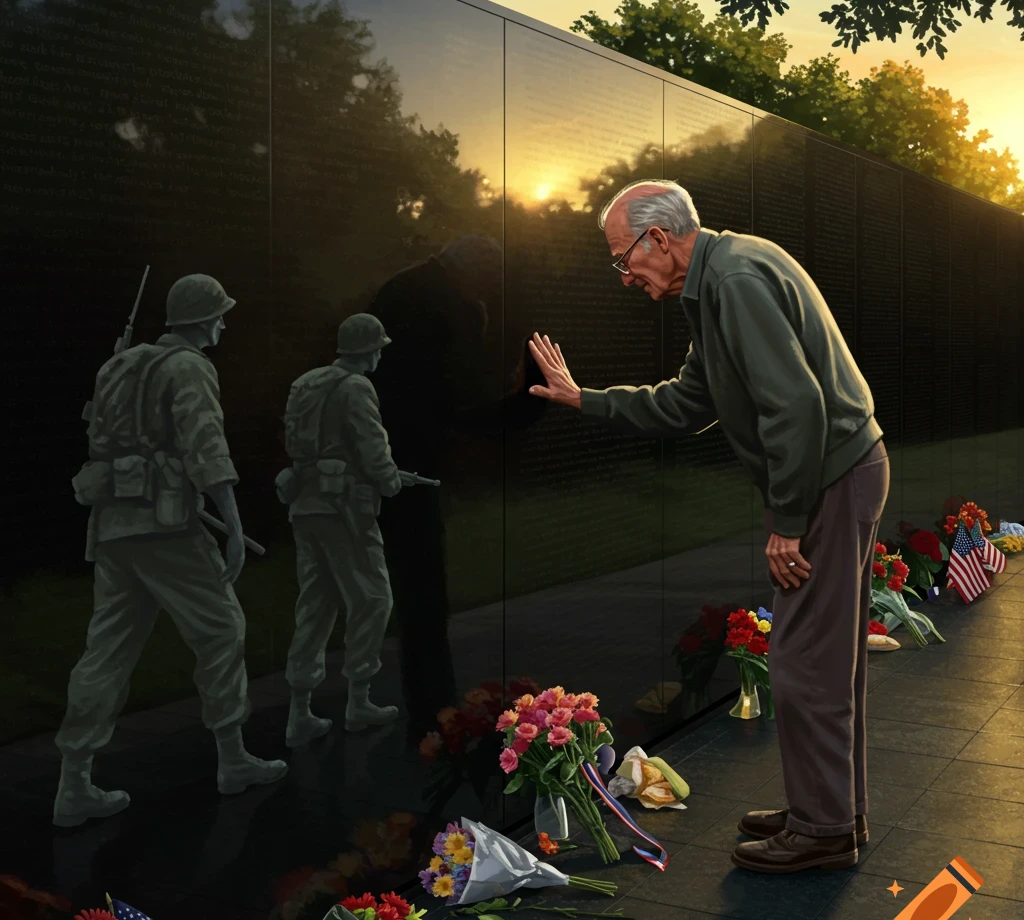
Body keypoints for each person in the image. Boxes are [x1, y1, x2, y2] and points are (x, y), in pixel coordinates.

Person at [526, 180, 888, 875]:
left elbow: (797, 407)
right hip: (838, 474)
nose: (625, 273)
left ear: (659, 239)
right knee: (823, 657)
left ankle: (823, 829)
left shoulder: (739, 281)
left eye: (624, 257)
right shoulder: (716, 283)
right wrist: (586, 400)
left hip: (827, 480)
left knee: (803, 662)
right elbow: (689, 402)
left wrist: (788, 521)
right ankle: (832, 812)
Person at [56, 274, 288, 828]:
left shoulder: (119, 365)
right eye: (220, 314)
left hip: (114, 528)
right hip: (165, 529)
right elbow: (206, 447)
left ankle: (73, 784)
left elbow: (102, 437)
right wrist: (232, 524)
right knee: (222, 628)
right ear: (203, 319)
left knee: (106, 649)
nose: (225, 323)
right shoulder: (189, 367)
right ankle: (232, 760)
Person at [367, 235, 546, 741]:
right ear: (471, 270)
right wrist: (519, 395)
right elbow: (456, 394)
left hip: (400, 455)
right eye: (487, 277)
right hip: (404, 462)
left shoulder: (415, 291)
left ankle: (431, 704)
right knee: (417, 587)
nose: (488, 288)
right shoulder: (441, 302)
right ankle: (433, 712)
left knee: (407, 589)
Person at [277, 313, 411, 744]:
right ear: (368, 350)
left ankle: (299, 713)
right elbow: (372, 446)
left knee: (316, 604)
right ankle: (359, 701)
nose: (378, 356)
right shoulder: (357, 387)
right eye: (377, 349)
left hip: (307, 505)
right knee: (372, 598)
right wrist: (390, 481)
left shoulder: (306, 382)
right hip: (345, 510)